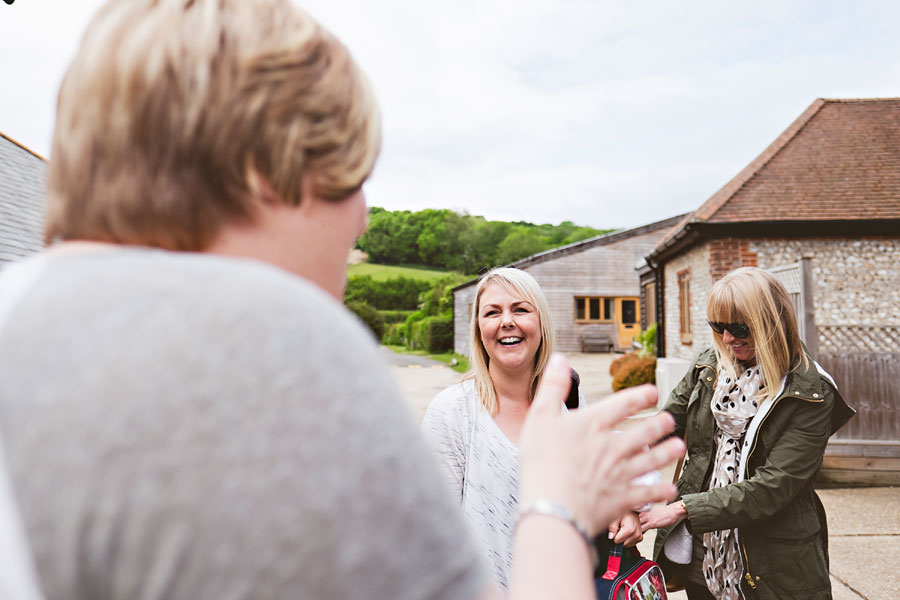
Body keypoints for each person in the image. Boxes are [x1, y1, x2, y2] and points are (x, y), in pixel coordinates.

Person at [0, 2, 684, 600]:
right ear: (265, 170)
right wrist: (557, 506)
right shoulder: (269, 339)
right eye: (353, 179)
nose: (361, 223)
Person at [422, 267, 649, 590]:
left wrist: (621, 510)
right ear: (478, 329)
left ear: (540, 322)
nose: (507, 321)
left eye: (520, 309)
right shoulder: (451, 412)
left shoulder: (567, 398)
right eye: (492, 312)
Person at [640, 267, 855, 600]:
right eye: (718, 326)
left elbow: (773, 488)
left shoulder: (810, 391)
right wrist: (623, 490)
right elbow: (663, 428)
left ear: (773, 321)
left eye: (739, 328)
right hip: (703, 555)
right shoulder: (709, 366)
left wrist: (680, 509)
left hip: (772, 565)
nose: (727, 338)